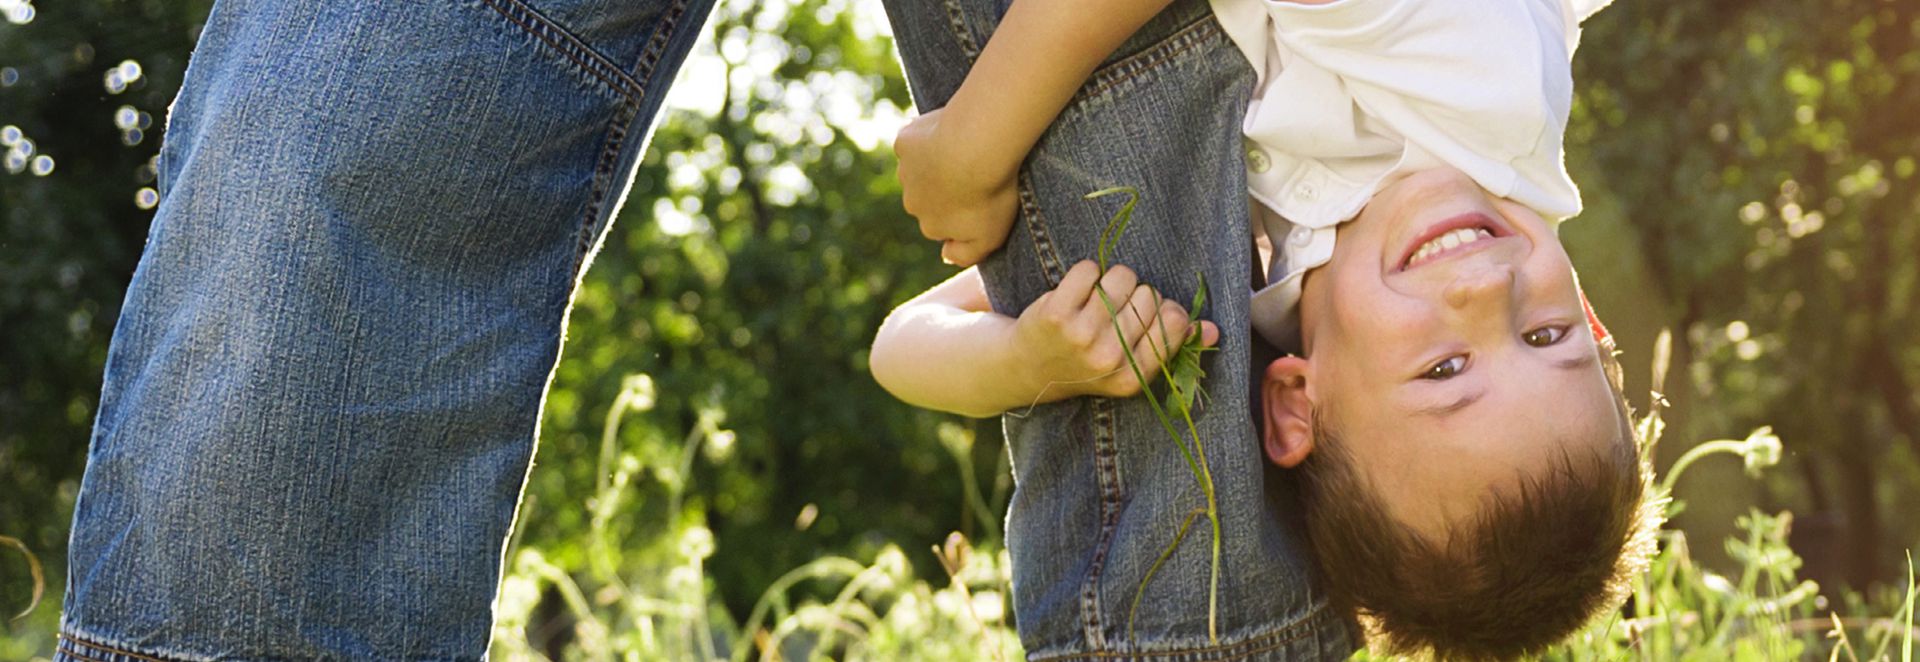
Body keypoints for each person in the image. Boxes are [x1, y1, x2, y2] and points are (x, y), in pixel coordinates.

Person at [873, 0, 1661, 658]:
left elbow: (899, 345)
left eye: (1446, 371)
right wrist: (973, 147)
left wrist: (1024, 361)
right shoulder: (1478, 87)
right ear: (1593, 319)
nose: (1490, 291)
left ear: (1293, 402)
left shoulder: (1294, 251)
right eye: (1547, 337)